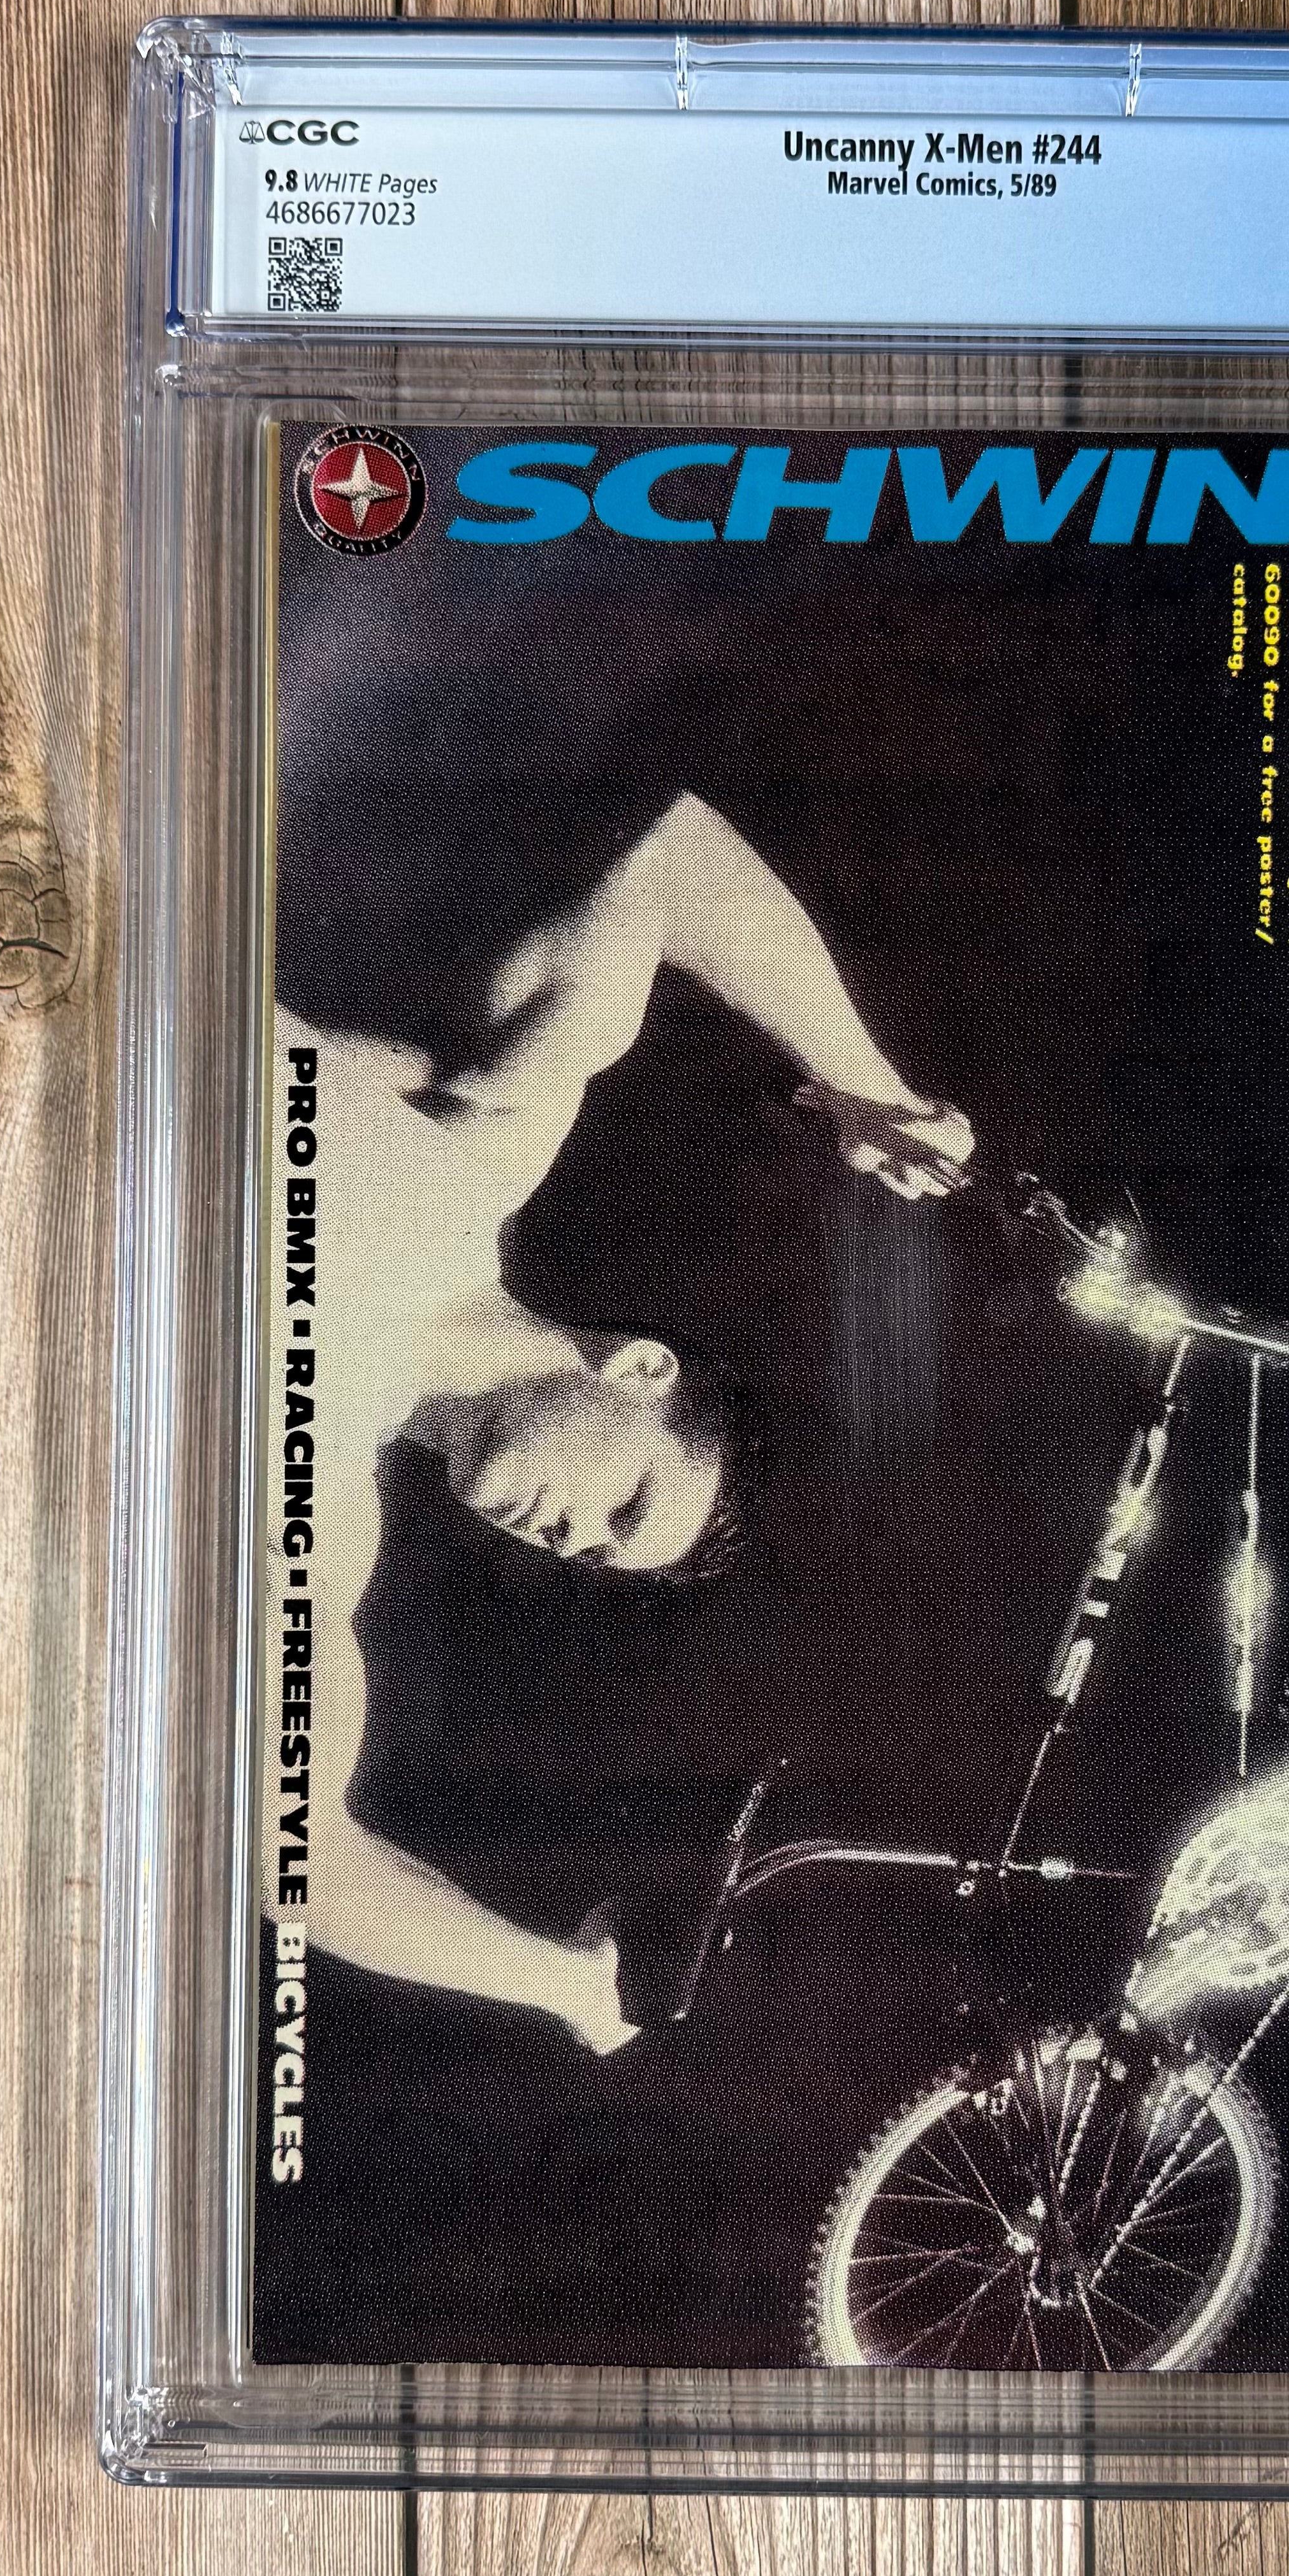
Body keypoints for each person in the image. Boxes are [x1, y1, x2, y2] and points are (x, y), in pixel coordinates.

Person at [277, 790, 973, 2053]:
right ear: (638, 1371)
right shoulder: (480, 1150)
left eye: (597, 1553)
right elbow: (664, 854)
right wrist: (871, 1091)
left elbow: (299, 1859)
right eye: (627, 1504)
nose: (575, 1538)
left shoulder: (316, 1522)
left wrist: (568, 1984)